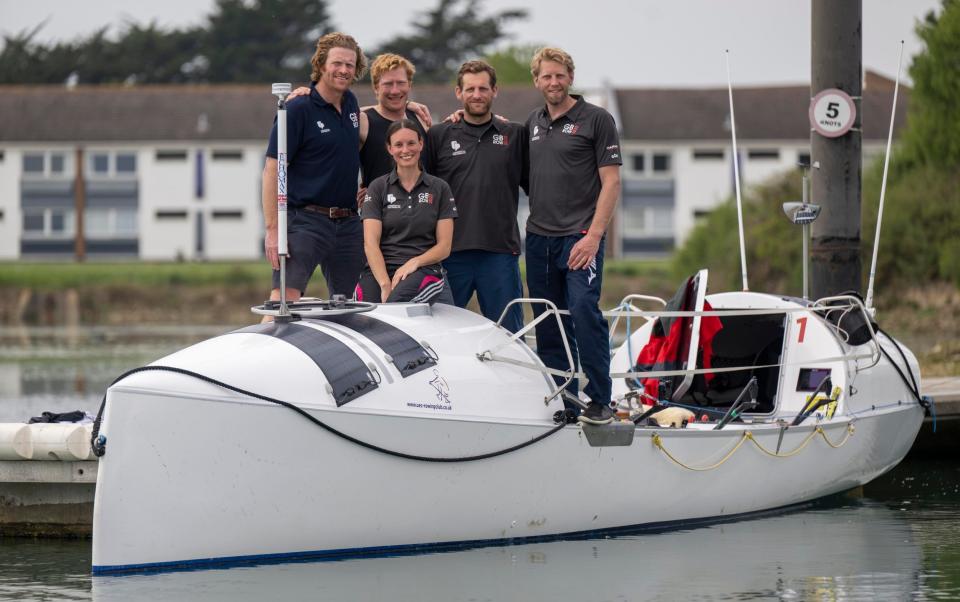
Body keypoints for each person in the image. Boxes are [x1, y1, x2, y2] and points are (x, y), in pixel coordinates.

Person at [524, 47, 622, 425]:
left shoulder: (597, 119)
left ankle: (600, 399)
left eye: (559, 75)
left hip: (581, 238)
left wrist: (594, 236)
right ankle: (564, 398)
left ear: (570, 77)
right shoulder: (532, 122)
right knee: (549, 320)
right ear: (537, 81)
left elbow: (611, 183)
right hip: (538, 239)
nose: (553, 82)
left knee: (583, 310)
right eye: (546, 76)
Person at [261, 32, 367, 312]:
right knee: (282, 301)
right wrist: (273, 230)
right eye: (337, 63)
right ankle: (260, 349)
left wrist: (409, 108)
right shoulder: (297, 109)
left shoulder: (352, 104)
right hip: (305, 221)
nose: (344, 70)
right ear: (321, 64)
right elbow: (272, 168)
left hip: (348, 225)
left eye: (350, 65)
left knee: (349, 306)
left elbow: (377, 120)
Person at [423, 60, 527, 333]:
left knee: (508, 335)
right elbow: (422, 190)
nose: (476, 95)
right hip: (450, 253)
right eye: (470, 89)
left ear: (495, 91)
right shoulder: (438, 135)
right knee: (442, 335)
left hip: (499, 252)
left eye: (483, 88)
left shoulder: (515, 135)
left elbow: (539, 187)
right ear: (459, 93)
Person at [356, 119, 458, 304]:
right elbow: (370, 243)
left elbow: (444, 247)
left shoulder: (439, 188)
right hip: (380, 270)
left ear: (421, 144)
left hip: (424, 270)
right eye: (398, 145)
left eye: (411, 143)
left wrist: (414, 262)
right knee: (363, 311)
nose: (405, 150)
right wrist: (385, 283)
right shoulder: (378, 187)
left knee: (395, 304)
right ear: (389, 148)